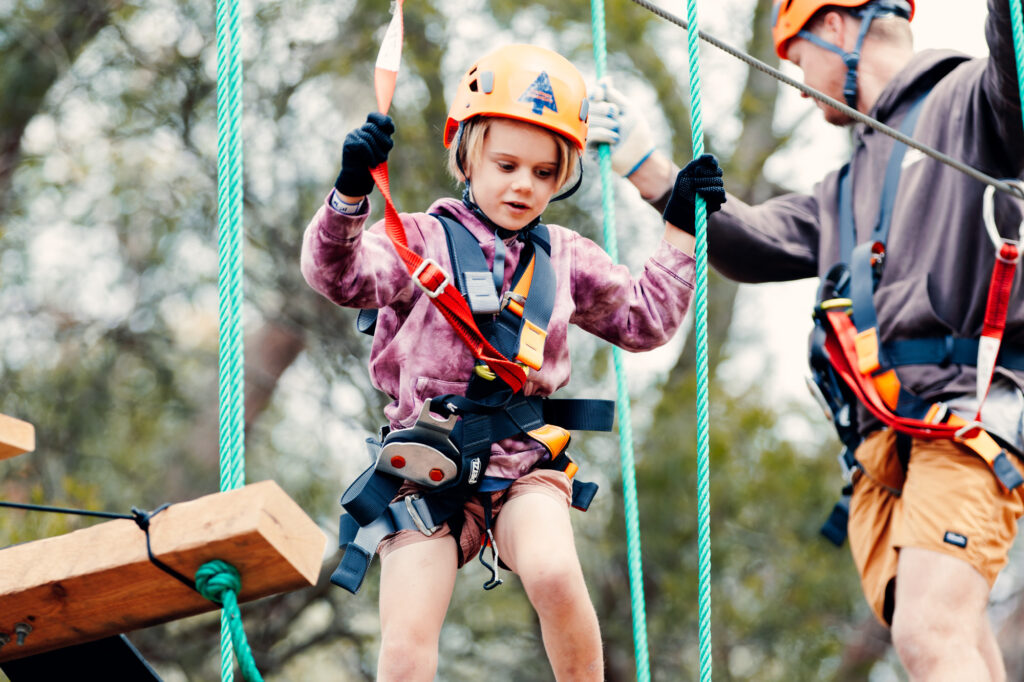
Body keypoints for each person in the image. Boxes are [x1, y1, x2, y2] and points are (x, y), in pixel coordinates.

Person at [589, 0, 1024, 679]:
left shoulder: (972, 101)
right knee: (954, 634)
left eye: (797, 60)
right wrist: (649, 168)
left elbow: (1016, 57)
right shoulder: (845, 187)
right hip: (883, 445)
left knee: (929, 633)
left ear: (836, 28)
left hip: (967, 415)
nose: (796, 84)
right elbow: (754, 241)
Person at [301, 43, 725, 681]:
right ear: (467, 155)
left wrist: (680, 232)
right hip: (425, 468)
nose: (524, 184)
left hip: (523, 461)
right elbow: (339, 276)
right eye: (506, 165)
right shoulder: (419, 239)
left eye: (544, 172)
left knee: (553, 572)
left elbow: (644, 321)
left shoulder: (567, 257)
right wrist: (349, 196)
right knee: (407, 642)